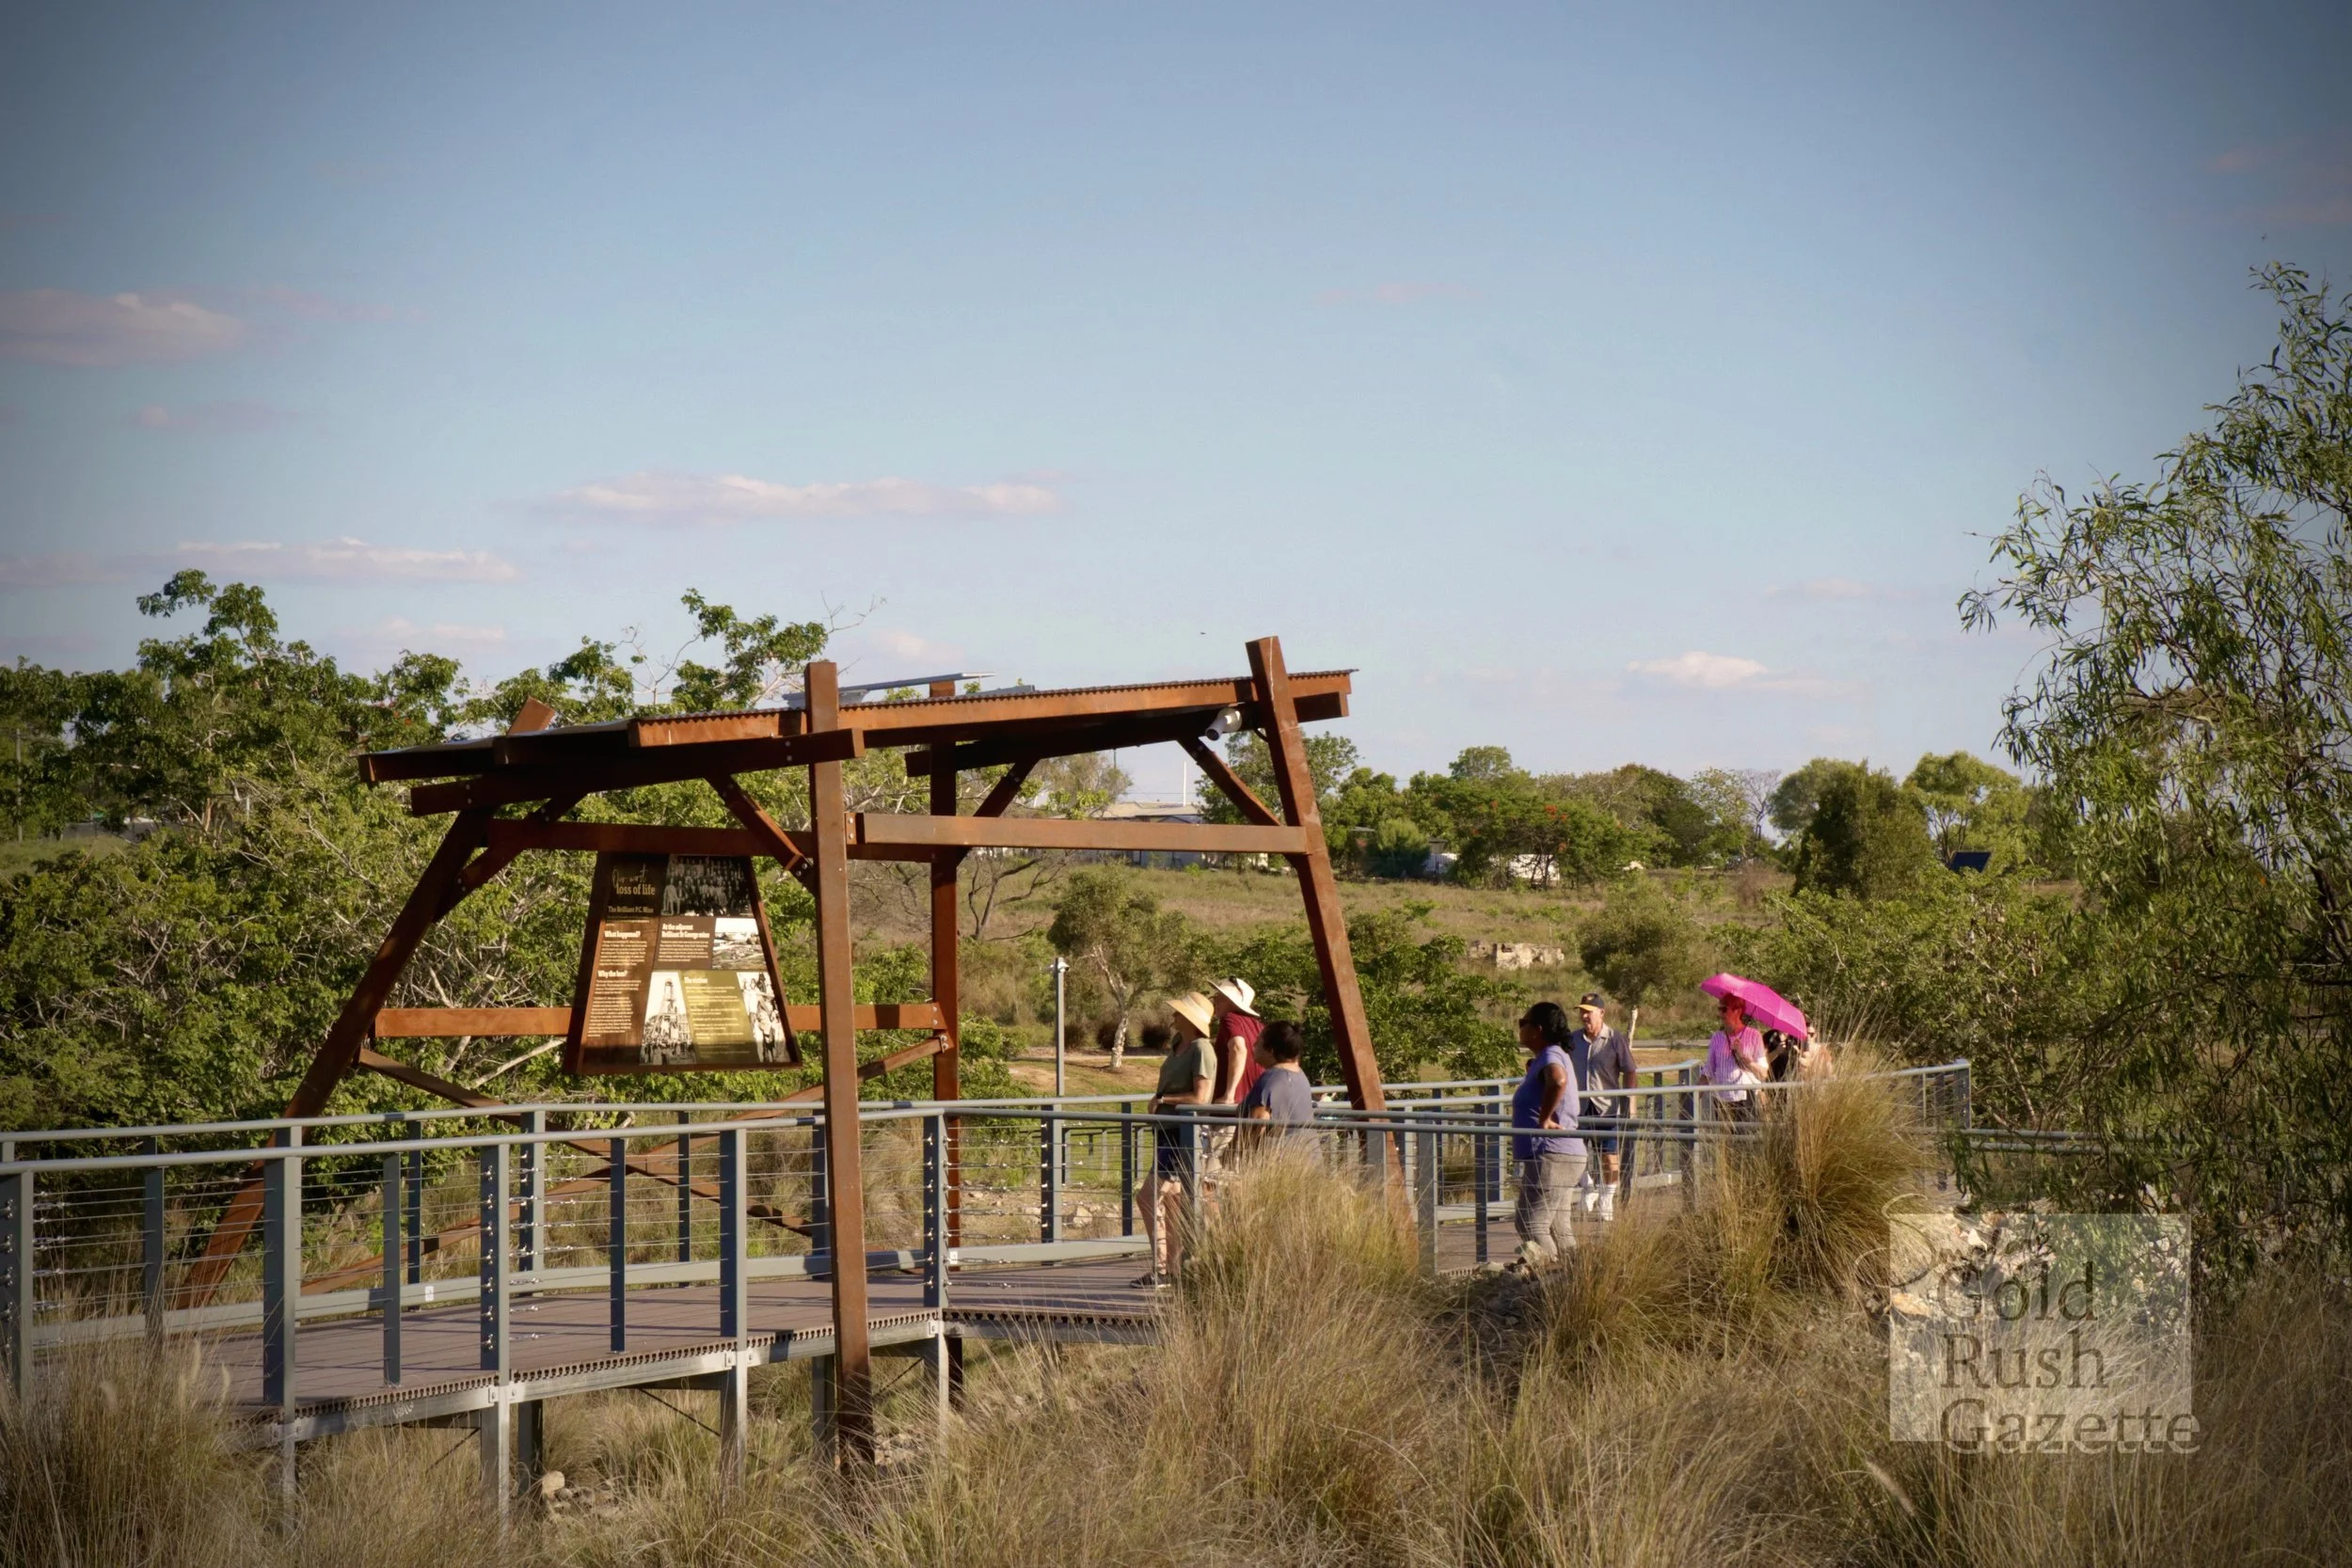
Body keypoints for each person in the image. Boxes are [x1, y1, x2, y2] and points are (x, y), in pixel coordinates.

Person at [1136, 990, 1216, 1285]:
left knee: (1147, 1196)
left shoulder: (1201, 1049)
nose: (1173, 1015)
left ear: (1191, 1019)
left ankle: (1161, 1267)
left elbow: (1202, 1097)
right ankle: (1169, 1270)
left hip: (1184, 1134)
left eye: (1180, 1011)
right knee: (1170, 1201)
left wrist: (1164, 1099)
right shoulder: (1178, 1044)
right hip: (1167, 1131)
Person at [1509, 1001, 1588, 1266]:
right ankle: (1575, 1280)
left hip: (1552, 1154)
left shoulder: (1551, 1054)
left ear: (1537, 1029)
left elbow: (1558, 1080)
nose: (1519, 1028)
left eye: (1523, 1023)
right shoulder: (1552, 1054)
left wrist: (1543, 1119)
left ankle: (1547, 1285)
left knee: (1530, 1222)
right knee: (1558, 1227)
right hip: (1567, 1153)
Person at [1568, 992, 1635, 1222]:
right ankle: (1588, 1187)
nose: (1584, 1016)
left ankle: (1607, 1198)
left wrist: (1630, 1100)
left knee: (1609, 1157)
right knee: (1573, 1154)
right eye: (1582, 1011)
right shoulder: (1573, 1040)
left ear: (1602, 1013)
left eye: (1589, 1011)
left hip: (1605, 1107)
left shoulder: (1615, 1039)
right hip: (1578, 1107)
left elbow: (1630, 1070)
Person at [1237, 1020, 1313, 1148]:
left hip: (1279, 1160)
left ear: (1270, 1050)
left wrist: (1235, 1152)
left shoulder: (1270, 1078)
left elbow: (1259, 1121)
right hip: (1308, 1157)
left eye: (1259, 1042)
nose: (1254, 1045)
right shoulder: (1301, 1076)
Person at [1702, 992, 1768, 1123]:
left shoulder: (1754, 1035)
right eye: (1719, 1009)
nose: (1720, 1014)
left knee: (1744, 1141)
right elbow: (1708, 1071)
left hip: (1745, 1098)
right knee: (1724, 1142)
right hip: (1721, 1099)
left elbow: (1763, 1074)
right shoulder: (1717, 1038)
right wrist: (1692, 1095)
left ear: (1738, 1011)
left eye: (1724, 1009)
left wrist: (1743, 1056)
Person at [1209, 977, 1265, 1105]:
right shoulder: (1259, 1026)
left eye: (1220, 996)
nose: (1214, 1000)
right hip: (1254, 1108)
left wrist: (1229, 1095)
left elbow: (1238, 1048)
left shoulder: (1230, 1019)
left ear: (1232, 1001)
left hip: (1232, 1110)